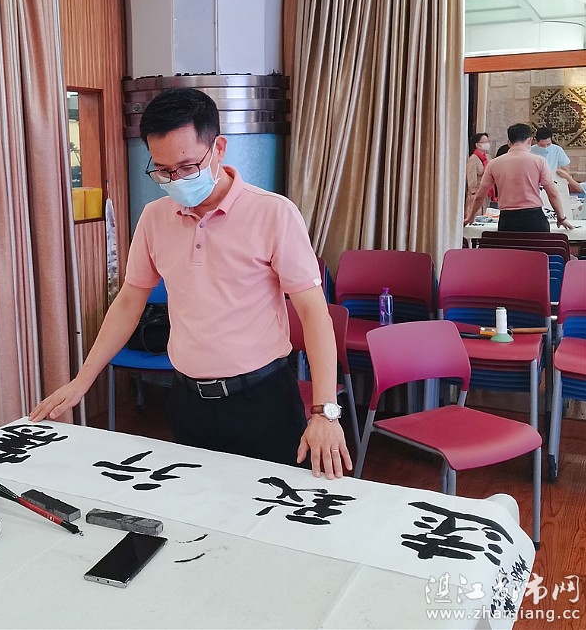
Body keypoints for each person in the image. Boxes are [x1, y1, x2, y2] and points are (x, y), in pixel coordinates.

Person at [31, 87, 351, 479]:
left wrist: (324, 411)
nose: (175, 180)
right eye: (163, 170)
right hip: (187, 399)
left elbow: (314, 313)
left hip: (262, 398)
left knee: (269, 505)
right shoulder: (154, 218)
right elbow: (129, 301)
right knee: (197, 505)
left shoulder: (273, 214)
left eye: (186, 167)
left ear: (218, 148)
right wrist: (83, 381)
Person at [464, 122, 574, 233]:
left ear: (509, 142)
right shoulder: (540, 161)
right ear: (529, 140)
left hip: (507, 219)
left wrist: (471, 217)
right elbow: (552, 193)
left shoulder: (493, 163)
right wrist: (561, 218)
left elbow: (480, 195)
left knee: (510, 244)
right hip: (534, 218)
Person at [465, 132, 493, 219]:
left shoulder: (488, 157)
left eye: (487, 141)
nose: (487, 144)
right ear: (477, 144)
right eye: (484, 142)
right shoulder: (473, 159)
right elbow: (471, 179)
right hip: (477, 194)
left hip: (487, 194)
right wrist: (474, 194)